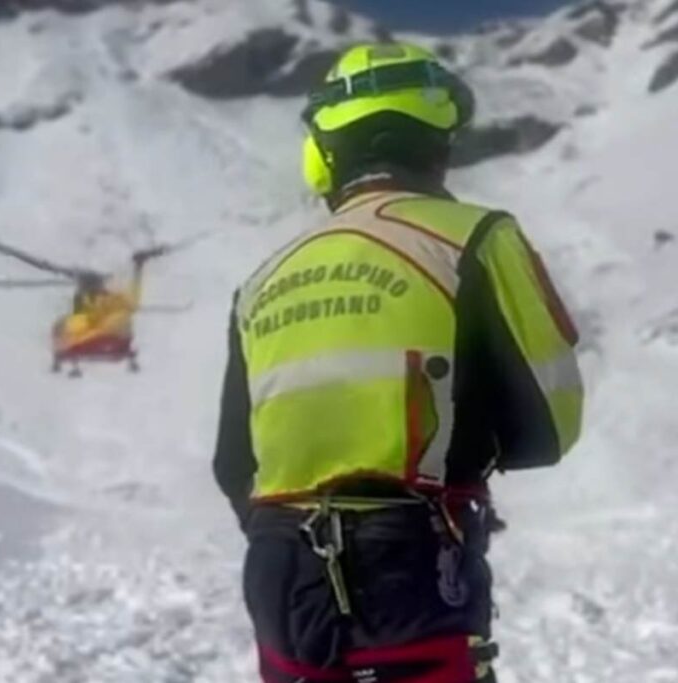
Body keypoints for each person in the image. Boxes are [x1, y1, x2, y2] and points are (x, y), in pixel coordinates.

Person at [212, 42, 583, 683]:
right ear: (440, 141)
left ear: (324, 155)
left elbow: (233, 464)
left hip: (278, 572)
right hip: (410, 565)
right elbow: (546, 427)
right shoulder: (474, 237)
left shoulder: (262, 279)